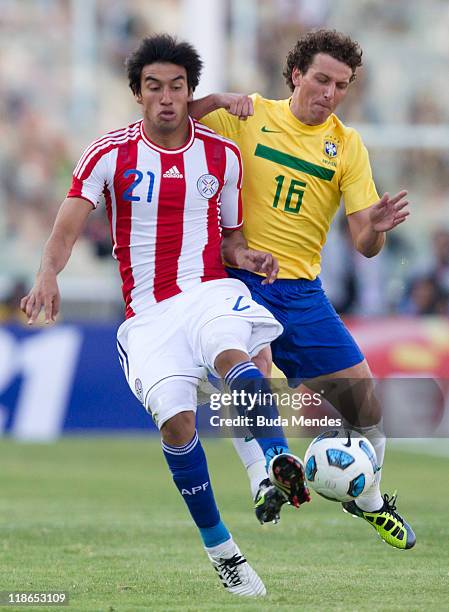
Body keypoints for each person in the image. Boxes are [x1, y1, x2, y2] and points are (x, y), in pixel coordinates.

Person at [20, 34, 310, 597]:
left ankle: (274, 460)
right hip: (148, 316)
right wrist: (48, 274)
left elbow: (230, 239)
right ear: (137, 94)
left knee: (235, 356)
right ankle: (223, 552)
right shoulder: (109, 154)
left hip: (206, 292)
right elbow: (69, 222)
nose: (167, 98)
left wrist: (246, 255)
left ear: (189, 91)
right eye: (154, 87)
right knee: (178, 426)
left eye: (178, 86)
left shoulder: (221, 158)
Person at [192, 29, 415, 549]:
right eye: (321, 80)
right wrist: (216, 99)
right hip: (241, 283)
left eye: (341, 85)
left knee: (369, 412)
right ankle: (265, 477)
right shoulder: (247, 117)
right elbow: (172, 120)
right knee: (254, 371)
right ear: (296, 74)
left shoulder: (348, 145)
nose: (329, 93)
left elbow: (364, 244)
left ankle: (371, 500)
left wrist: (376, 228)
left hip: (303, 295)